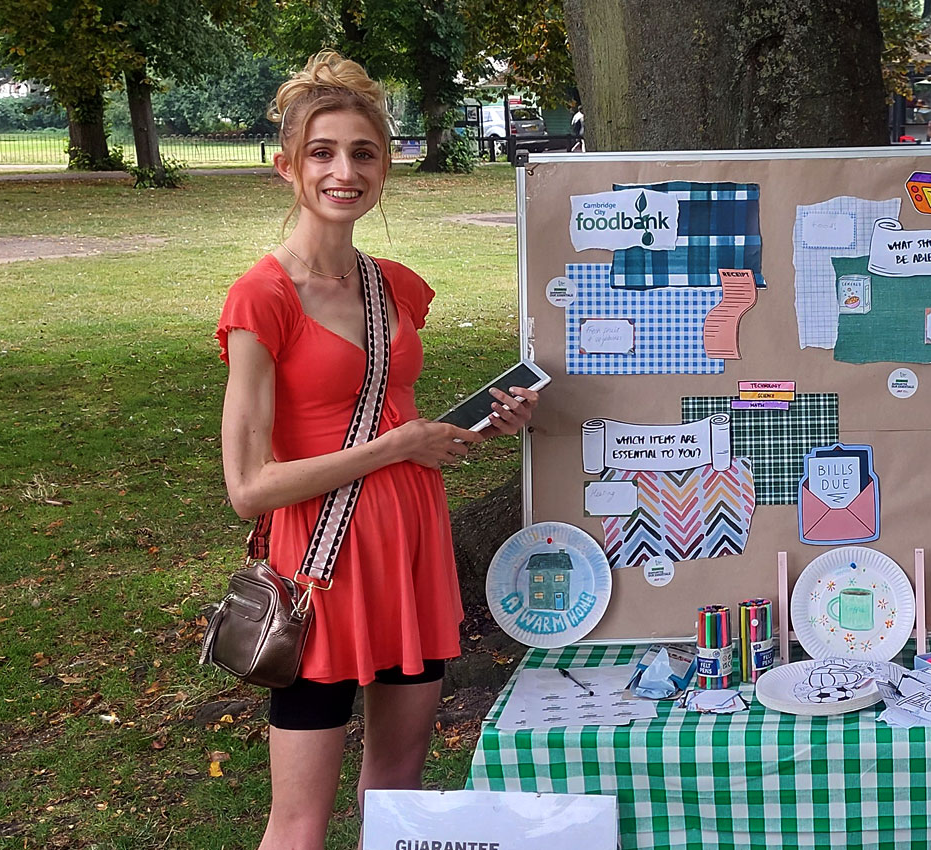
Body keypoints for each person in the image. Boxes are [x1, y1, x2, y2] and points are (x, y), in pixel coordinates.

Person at [216, 51, 539, 850]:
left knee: (396, 801)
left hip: (410, 549)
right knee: (298, 823)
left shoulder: (392, 284)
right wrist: (399, 443)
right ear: (288, 167)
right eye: (322, 152)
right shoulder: (261, 297)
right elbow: (249, 487)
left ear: (384, 164)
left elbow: (395, 421)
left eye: (363, 152)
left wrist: (487, 426)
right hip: (321, 564)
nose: (344, 171)